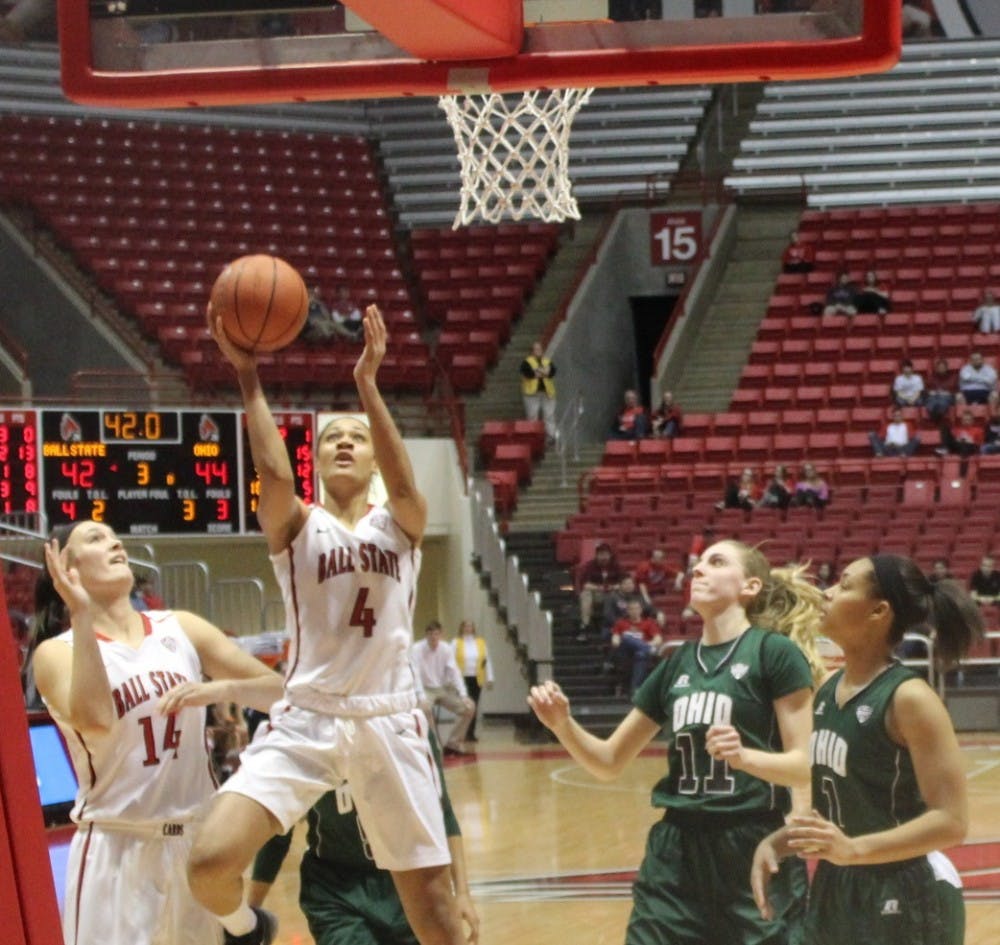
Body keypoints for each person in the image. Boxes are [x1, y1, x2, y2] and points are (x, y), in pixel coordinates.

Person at [188, 303, 467, 945]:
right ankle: (245, 927)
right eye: (330, 438)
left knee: (440, 925)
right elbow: (274, 472)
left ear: (373, 459)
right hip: (308, 714)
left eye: (357, 437)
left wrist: (368, 384)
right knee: (208, 862)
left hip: (389, 717)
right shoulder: (296, 526)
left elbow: (405, 485)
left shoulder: (401, 525)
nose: (344, 441)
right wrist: (248, 375)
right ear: (316, 462)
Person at [529, 541, 827, 945]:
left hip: (751, 840)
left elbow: (803, 763)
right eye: (699, 563)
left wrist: (745, 758)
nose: (698, 570)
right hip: (676, 850)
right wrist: (562, 725)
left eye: (716, 562)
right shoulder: (675, 666)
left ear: (750, 586)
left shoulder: (774, 653)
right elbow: (609, 761)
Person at [30, 522, 284, 945]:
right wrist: (81, 613)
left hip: (192, 845)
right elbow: (94, 719)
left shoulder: (179, 627)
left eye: (114, 536)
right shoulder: (57, 652)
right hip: (116, 848)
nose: (113, 543)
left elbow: (281, 693)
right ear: (66, 570)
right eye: (95, 539)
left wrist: (225, 688)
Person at [751, 554, 981, 945]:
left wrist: (853, 849)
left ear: (878, 611)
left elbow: (951, 821)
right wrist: (778, 842)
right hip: (836, 883)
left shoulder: (910, 698)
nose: (826, 592)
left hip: (908, 889)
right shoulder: (826, 692)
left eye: (843, 584)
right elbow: (841, 809)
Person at [246, 726, 480, 945]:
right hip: (335, 890)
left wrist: (462, 892)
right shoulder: (303, 733)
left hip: (408, 882)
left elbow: (442, 813)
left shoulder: (407, 724)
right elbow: (278, 835)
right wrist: (251, 914)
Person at [411, 619, 476, 754]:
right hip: (425, 689)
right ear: (426, 635)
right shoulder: (417, 649)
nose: (433, 638)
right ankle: (433, 744)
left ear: (440, 635)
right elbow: (415, 674)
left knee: (469, 708)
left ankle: (454, 742)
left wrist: (463, 695)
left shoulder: (446, 649)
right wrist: (421, 696)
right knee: (425, 709)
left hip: (442, 688)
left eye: (436, 634)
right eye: (430, 635)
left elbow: (454, 672)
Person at [608, 598, 662, 697]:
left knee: (640, 654)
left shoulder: (648, 623)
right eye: (631, 609)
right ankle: (646, 648)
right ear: (628, 611)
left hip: (640, 654)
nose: (634, 611)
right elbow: (615, 640)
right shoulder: (621, 623)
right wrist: (619, 641)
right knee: (626, 637)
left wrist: (646, 645)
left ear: (641, 610)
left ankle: (634, 689)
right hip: (624, 652)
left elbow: (658, 639)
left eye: (636, 609)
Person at [453, 620, 493, 744]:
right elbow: (450, 661)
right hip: (462, 678)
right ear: (462, 628)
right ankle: (461, 733)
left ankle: (471, 733)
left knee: (474, 705)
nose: (468, 628)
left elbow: (487, 660)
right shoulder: (456, 643)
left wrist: (490, 677)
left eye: (470, 626)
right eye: (465, 626)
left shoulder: (480, 643)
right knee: (465, 705)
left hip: (477, 678)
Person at [576, 541, 625, 640]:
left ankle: (617, 625)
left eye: (606, 554)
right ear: (597, 555)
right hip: (597, 594)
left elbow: (624, 582)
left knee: (615, 596)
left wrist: (614, 587)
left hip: (613, 594)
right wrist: (600, 588)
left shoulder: (616, 566)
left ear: (610, 555)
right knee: (586, 594)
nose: (604, 557)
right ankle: (584, 626)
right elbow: (585, 584)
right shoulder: (589, 566)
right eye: (601, 554)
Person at [519, 341, 558, 445]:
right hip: (531, 394)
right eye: (536, 349)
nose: (538, 351)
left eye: (540, 349)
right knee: (532, 416)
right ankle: (533, 438)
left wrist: (538, 372)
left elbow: (552, 372)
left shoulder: (547, 361)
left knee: (549, 415)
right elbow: (529, 374)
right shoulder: (526, 362)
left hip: (547, 392)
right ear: (531, 351)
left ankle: (551, 437)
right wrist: (543, 372)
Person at [924, 357, 957, 423]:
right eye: (939, 367)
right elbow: (926, 389)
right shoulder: (932, 377)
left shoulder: (953, 377)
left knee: (942, 403)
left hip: (946, 397)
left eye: (943, 367)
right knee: (930, 404)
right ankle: (936, 419)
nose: (941, 368)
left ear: (946, 368)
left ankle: (937, 420)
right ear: (937, 368)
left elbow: (956, 390)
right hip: (934, 396)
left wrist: (948, 393)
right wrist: (930, 392)